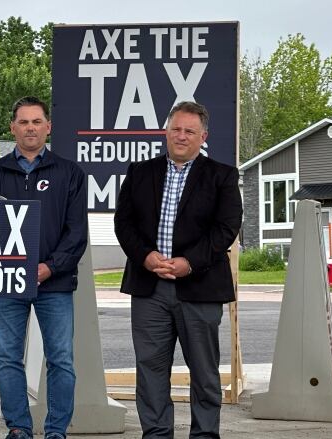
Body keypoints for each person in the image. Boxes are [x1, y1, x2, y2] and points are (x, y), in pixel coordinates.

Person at [114, 101, 242, 438]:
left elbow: (226, 228)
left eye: (189, 131)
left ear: (203, 137)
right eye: (176, 129)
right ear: (165, 132)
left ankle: (204, 435)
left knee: (204, 373)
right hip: (148, 288)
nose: (181, 136)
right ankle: (156, 434)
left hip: (200, 288)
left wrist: (190, 262)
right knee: (151, 370)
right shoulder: (140, 173)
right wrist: (145, 256)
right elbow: (123, 223)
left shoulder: (222, 176)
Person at [0, 96, 88, 439]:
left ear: (48, 127)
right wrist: (5, 266)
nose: (30, 128)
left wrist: (49, 267)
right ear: (12, 128)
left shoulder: (70, 172)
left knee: (61, 360)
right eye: (23, 122)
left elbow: (76, 233)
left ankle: (56, 431)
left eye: (36, 122)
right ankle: (19, 428)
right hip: (6, 282)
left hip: (54, 282)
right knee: (8, 358)